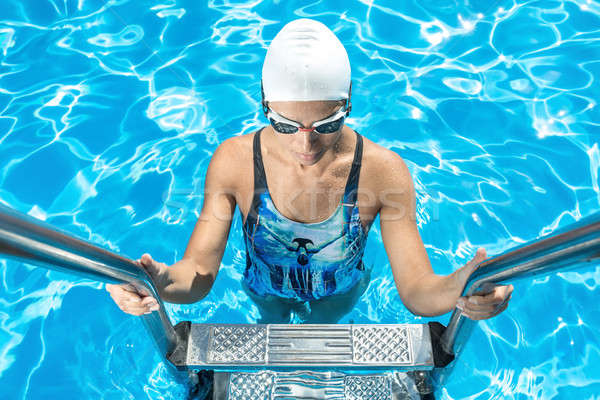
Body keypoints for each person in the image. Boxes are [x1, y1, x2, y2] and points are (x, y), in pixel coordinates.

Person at [106, 18, 513, 323]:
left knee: (320, 350)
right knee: (272, 338)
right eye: (285, 125)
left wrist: (459, 288)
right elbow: (199, 271)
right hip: (265, 290)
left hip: (341, 293)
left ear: (349, 102)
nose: (305, 144)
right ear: (264, 105)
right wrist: (159, 282)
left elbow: (417, 290)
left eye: (326, 126)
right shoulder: (234, 163)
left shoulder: (382, 172)